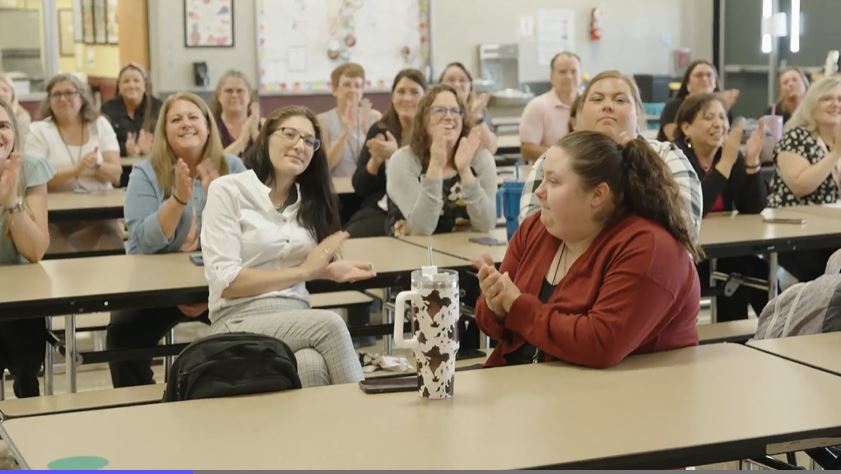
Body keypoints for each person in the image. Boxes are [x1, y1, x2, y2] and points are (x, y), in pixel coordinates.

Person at [474, 131, 701, 368]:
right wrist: (495, 305)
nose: (539, 191)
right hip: (534, 387)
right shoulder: (536, 228)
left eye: (553, 181)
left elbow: (600, 344)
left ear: (598, 194)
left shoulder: (649, 248)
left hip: (620, 396)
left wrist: (516, 305)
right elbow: (495, 329)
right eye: (542, 179)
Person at [202, 106, 374, 387]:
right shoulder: (228, 190)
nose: (299, 145)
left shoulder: (309, 200)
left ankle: (316, 432)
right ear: (267, 137)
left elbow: (297, 268)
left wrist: (325, 272)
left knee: (310, 364)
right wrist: (305, 272)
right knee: (331, 325)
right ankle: (367, 423)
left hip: (295, 316)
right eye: (290, 134)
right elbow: (228, 283)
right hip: (238, 319)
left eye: (309, 141)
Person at [107, 92, 246, 387]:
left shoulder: (232, 168)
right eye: (176, 119)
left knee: (256, 326)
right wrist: (178, 200)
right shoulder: (146, 172)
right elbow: (142, 242)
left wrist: (218, 195)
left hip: (220, 284)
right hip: (157, 285)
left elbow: (252, 234)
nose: (186, 124)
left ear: (208, 126)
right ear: (165, 131)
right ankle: (139, 409)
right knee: (122, 337)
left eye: (194, 117)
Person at [519, 70, 703, 242]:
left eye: (620, 100)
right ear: (578, 116)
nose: (608, 106)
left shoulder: (667, 156)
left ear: (638, 113)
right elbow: (531, 238)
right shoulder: (552, 160)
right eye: (597, 99)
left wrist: (634, 164)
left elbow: (685, 230)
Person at [674, 93, 768, 320]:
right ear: (686, 127)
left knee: (757, 270)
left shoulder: (728, 156)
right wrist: (726, 162)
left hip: (724, 251)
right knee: (737, 273)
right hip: (686, 254)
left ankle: (778, 331)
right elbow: (695, 208)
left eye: (722, 117)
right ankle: (735, 340)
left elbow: (753, 207)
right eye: (709, 117)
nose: (719, 124)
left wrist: (752, 161)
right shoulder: (676, 157)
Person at [25, 74, 123, 253]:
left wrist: (97, 167)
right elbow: (34, 180)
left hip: (100, 215)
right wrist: (77, 169)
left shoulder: (100, 125)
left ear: (82, 96)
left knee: (111, 247)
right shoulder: (39, 130)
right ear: (49, 100)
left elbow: (116, 175)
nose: (62, 98)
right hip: (55, 219)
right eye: (56, 94)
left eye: (69, 93)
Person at [385, 84, 497, 236]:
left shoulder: (481, 159)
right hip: (413, 254)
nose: (449, 116)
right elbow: (422, 228)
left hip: (467, 254)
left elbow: (487, 225)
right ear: (423, 120)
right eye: (439, 110)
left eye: (455, 111)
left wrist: (465, 171)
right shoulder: (403, 161)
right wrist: (436, 165)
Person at [0, 98, 52, 398]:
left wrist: (11, 204)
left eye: (3, 125)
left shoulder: (29, 168)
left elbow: (35, 250)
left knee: (26, 366)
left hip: (22, 296)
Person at [768, 77, 841, 282]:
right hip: (795, 234)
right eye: (827, 99)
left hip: (831, 232)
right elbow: (801, 186)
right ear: (811, 105)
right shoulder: (795, 137)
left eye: (840, 99)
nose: (836, 104)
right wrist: (836, 153)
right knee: (822, 271)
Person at [345, 68, 427, 238]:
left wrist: (395, 156)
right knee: (348, 237)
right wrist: (374, 162)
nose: (407, 98)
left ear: (426, 98)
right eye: (401, 92)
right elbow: (359, 186)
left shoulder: (432, 133)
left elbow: (430, 180)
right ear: (392, 96)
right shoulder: (380, 129)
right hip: (381, 208)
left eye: (414, 92)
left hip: (418, 210)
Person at [318, 63, 382, 177]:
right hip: (337, 190)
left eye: (357, 86)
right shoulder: (322, 120)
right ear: (335, 89)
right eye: (347, 84)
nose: (353, 90)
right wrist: (345, 133)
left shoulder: (375, 117)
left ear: (362, 91)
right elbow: (325, 166)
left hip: (368, 189)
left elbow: (384, 161)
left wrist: (367, 131)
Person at [519, 52, 581, 162]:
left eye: (573, 71)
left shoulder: (590, 104)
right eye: (562, 72)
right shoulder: (537, 106)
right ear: (551, 77)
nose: (569, 76)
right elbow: (527, 149)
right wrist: (566, 158)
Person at [657, 60, 740, 142]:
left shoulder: (721, 107)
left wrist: (724, 110)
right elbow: (674, 138)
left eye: (709, 75)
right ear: (688, 83)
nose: (704, 79)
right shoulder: (673, 106)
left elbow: (723, 140)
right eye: (699, 75)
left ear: (715, 82)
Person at [101, 63, 163, 157]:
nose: (131, 85)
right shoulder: (107, 108)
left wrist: (152, 147)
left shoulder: (158, 106)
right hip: (120, 167)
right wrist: (124, 149)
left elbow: (167, 140)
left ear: (144, 85)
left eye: (136, 81)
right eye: (126, 81)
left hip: (153, 165)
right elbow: (101, 142)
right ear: (119, 86)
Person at [439, 62, 498, 154]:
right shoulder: (433, 111)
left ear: (470, 87)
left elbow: (490, 149)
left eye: (462, 80)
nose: (457, 84)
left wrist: (475, 116)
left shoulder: (481, 112)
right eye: (451, 80)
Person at [211, 70, 262, 158]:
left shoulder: (264, 125)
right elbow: (214, 163)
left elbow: (273, 160)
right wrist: (242, 140)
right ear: (219, 96)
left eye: (240, 91)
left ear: (249, 95)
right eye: (229, 91)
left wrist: (254, 132)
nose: (234, 95)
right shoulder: (209, 127)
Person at [0, 74, 32, 147]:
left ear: (13, 94)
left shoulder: (22, 116)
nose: (1, 93)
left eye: (5, 90)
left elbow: (20, 145)